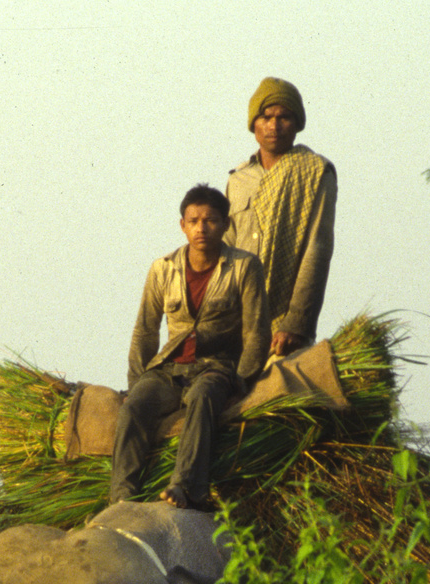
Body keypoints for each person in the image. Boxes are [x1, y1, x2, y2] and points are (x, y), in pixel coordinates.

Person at [109, 184, 270, 511]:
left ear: (226, 224)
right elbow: (145, 330)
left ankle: (185, 487)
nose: (201, 228)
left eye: (210, 220)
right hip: (168, 369)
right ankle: (122, 498)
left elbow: (257, 333)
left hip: (216, 367)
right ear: (182, 225)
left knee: (202, 399)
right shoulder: (163, 268)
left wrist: (242, 381)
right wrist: (135, 381)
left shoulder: (244, 267)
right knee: (133, 408)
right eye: (194, 220)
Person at [225, 77, 336, 358]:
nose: (274, 126)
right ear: (254, 124)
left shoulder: (316, 171)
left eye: (284, 117)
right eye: (266, 117)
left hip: (282, 330)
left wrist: (296, 324)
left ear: (297, 123)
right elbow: (221, 252)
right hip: (234, 324)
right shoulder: (238, 179)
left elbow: (317, 250)